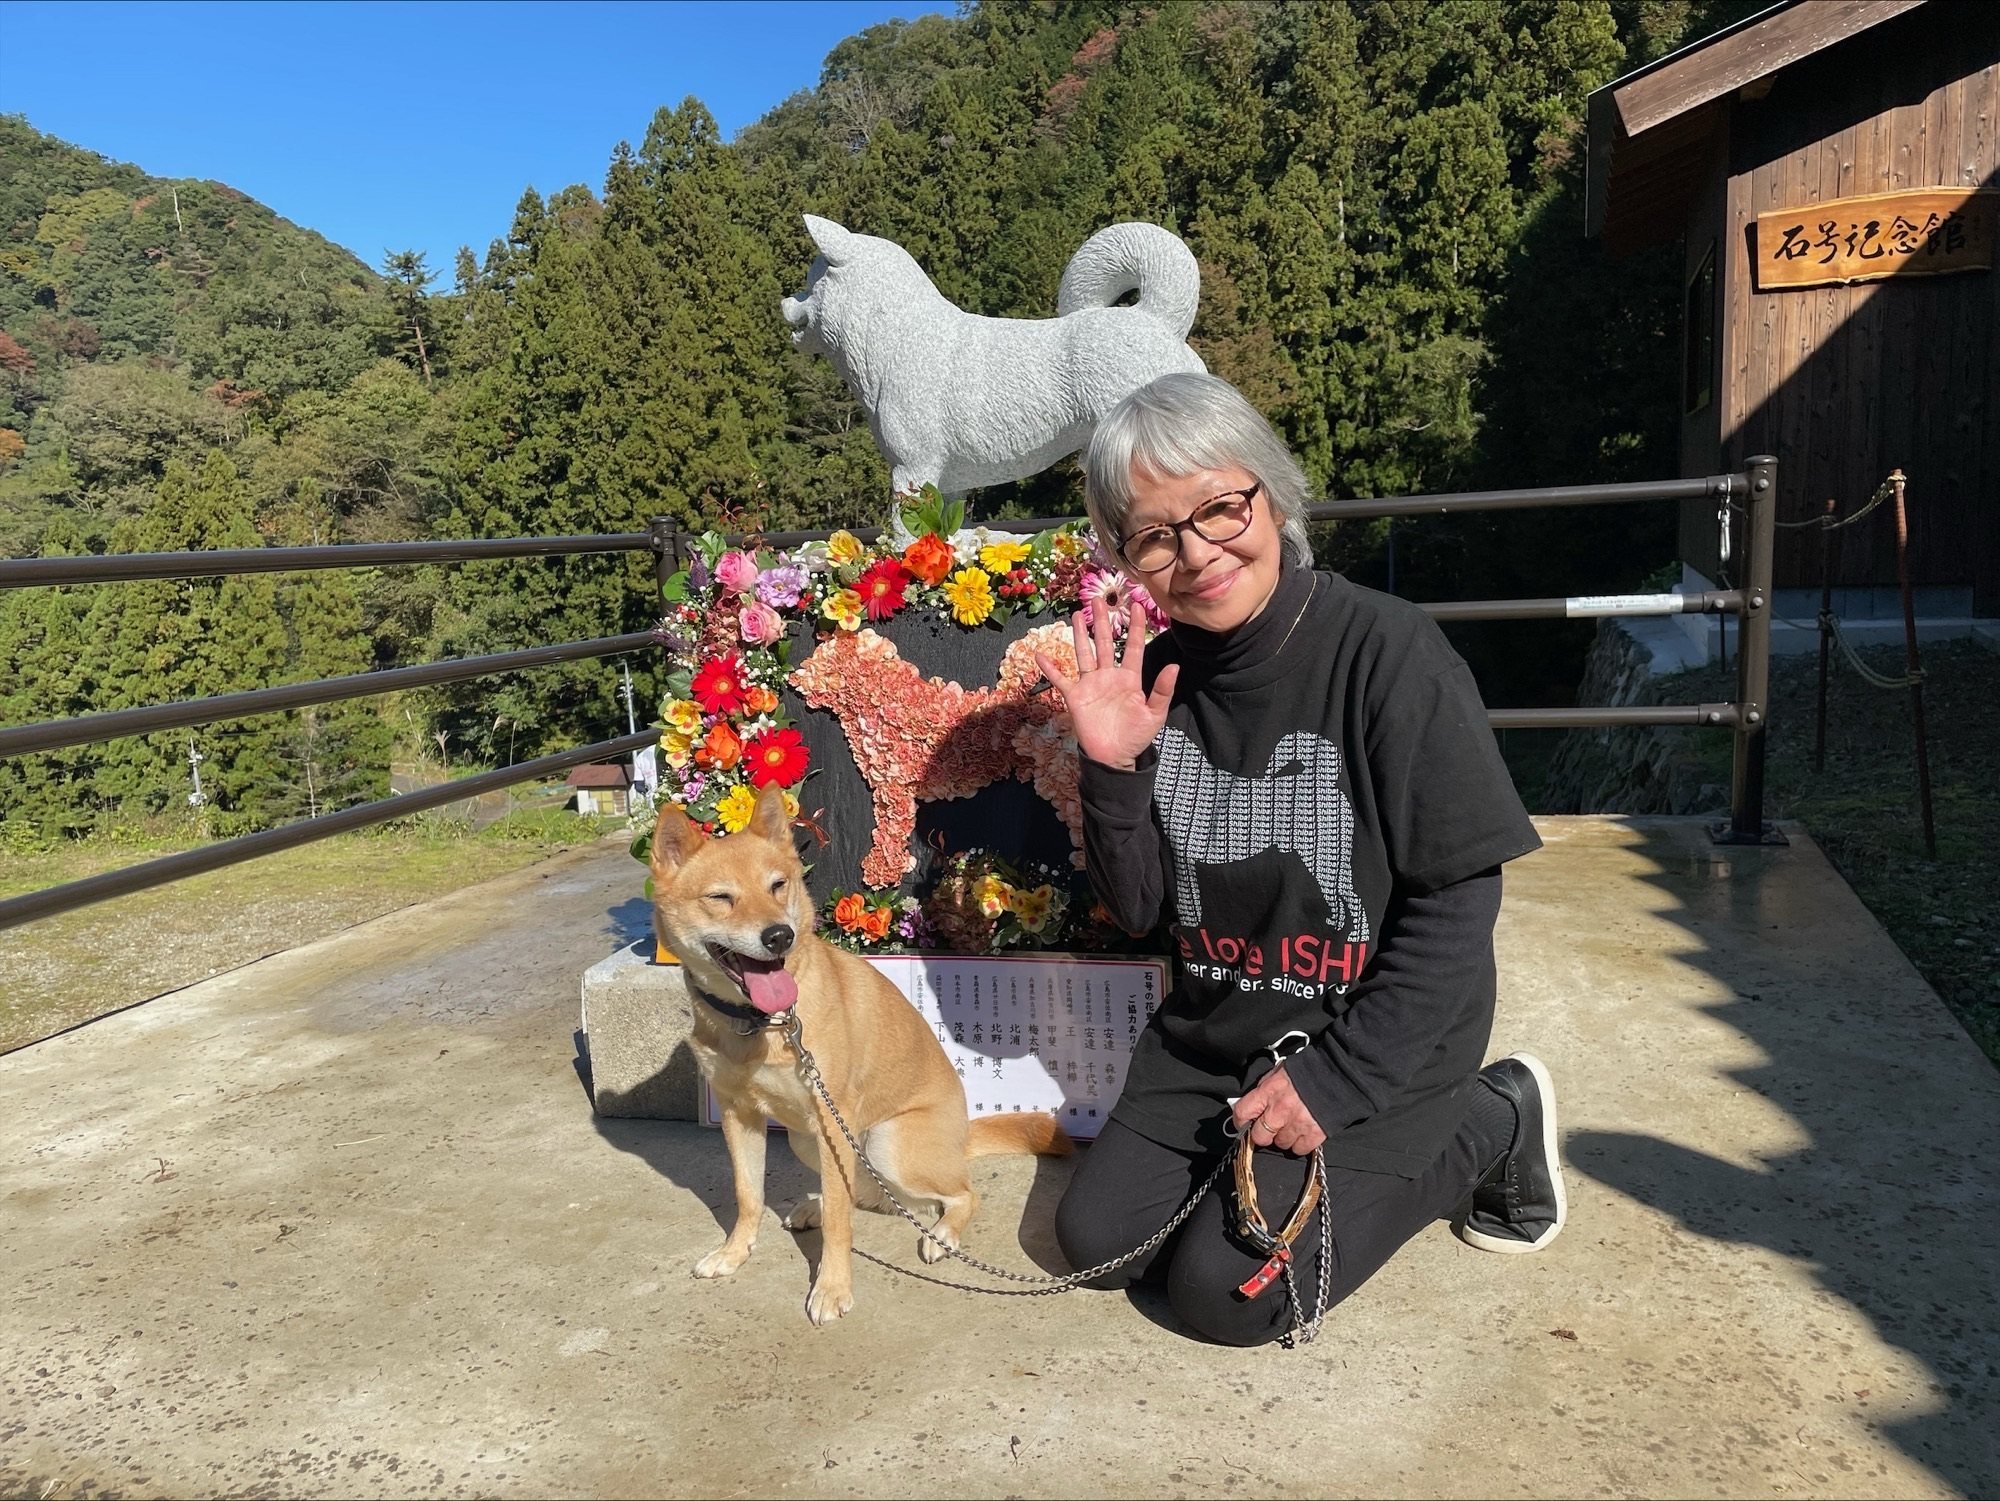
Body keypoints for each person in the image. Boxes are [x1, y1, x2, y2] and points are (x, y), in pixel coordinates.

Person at [1034, 371, 1564, 1347]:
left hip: (1371, 1043)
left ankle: (1490, 1118)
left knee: (1222, 1298)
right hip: (1210, 1039)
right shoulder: (1151, 680)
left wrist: (1339, 1081)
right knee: (1095, 1242)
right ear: (1125, 557)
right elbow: (1142, 909)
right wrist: (1108, 771)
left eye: (1217, 508)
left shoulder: (1389, 653)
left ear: (1267, 492)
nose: (1195, 553)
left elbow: (1455, 907)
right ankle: (1236, 1176)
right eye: (1154, 533)